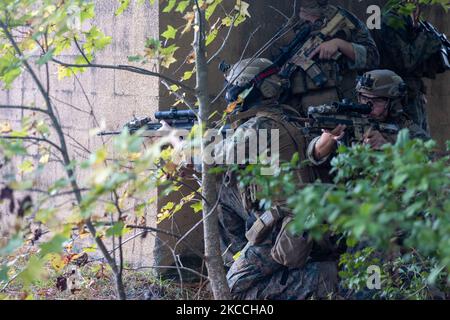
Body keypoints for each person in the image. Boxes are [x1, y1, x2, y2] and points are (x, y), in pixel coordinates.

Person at [307, 69, 430, 167]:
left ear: (394, 103)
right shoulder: (350, 122)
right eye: (364, 98)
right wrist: (329, 139)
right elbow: (314, 156)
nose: (368, 105)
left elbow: (430, 165)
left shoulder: (409, 131)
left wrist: (388, 148)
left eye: (376, 100)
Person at [278, 0, 379, 114]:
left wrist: (339, 44)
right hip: (302, 116)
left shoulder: (340, 18)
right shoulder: (288, 29)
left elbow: (373, 58)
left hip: (346, 108)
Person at [371, 5, 447, 134]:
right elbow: (407, 61)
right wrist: (427, 38)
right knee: (411, 141)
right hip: (398, 97)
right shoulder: (391, 21)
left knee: (422, 142)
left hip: (413, 92)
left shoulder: (412, 18)